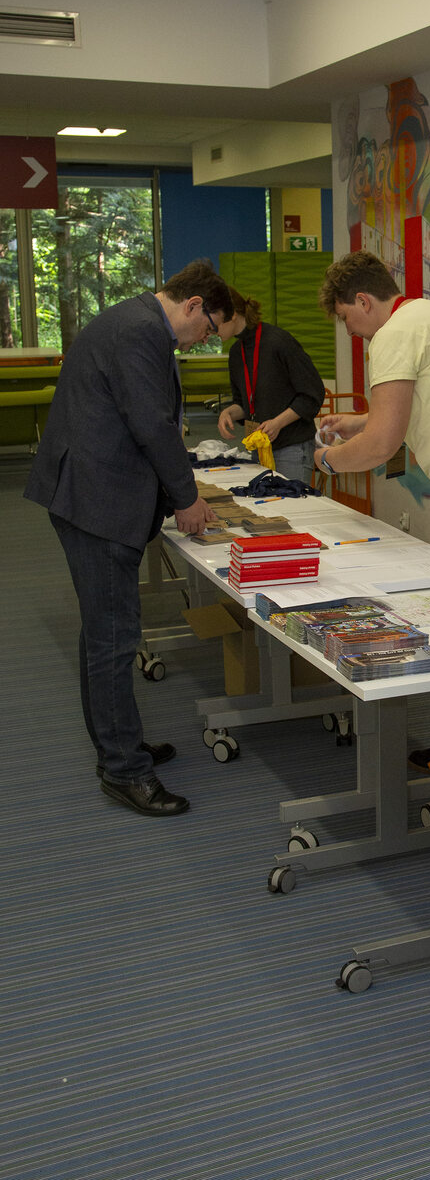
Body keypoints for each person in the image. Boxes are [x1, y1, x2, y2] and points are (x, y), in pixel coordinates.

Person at [24, 260, 234, 817]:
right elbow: (151, 424)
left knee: (104, 633)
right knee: (113, 639)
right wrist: (186, 498)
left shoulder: (135, 322)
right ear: (193, 305)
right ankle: (123, 770)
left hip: (90, 492)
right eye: (209, 328)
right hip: (96, 502)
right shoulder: (141, 331)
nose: (204, 339)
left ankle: (118, 744)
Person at [315, 249, 430, 773]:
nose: (351, 332)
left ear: (363, 300)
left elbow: (382, 445)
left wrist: (328, 461)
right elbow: (427, 401)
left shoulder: (393, 334)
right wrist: (360, 420)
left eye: (346, 318)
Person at [216, 287, 325, 484]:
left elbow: (312, 394)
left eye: (214, 324)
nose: (211, 331)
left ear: (232, 315)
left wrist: (278, 423)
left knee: (292, 502)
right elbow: (245, 404)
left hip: (292, 446)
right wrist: (229, 413)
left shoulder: (279, 341)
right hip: (260, 446)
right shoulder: (236, 352)